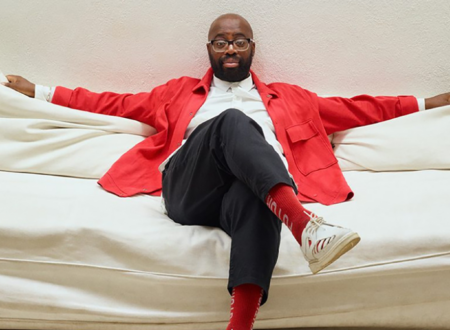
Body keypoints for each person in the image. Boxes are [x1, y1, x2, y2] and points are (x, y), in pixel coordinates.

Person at [3, 13, 450, 330]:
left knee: (257, 199)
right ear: (210, 50)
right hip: (188, 190)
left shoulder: (292, 98)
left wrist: (428, 103)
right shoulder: (177, 93)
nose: (230, 48)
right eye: (221, 41)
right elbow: (109, 102)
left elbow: (358, 109)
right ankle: (303, 224)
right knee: (234, 123)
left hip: (253, 191)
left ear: (252, 48)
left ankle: (241, 324)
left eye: (239, 41)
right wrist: (39, 91)